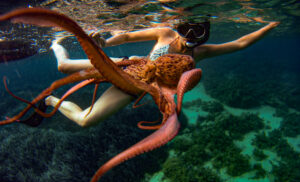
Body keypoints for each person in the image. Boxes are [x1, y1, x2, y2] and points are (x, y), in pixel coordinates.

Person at [45, 19, 279, 127]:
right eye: (188, 31)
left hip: (135, 88)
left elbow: (240, 43)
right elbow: (127, 36)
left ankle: (50, 100)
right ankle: (56, 44)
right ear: (181, 27)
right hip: (128, 66)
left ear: (204, 33)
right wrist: (106, 42)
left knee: (85, 120)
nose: (191, 40)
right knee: (63, 66)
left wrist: (268, 26)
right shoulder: (165, 33)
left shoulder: (202, 52)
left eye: (198, 34)